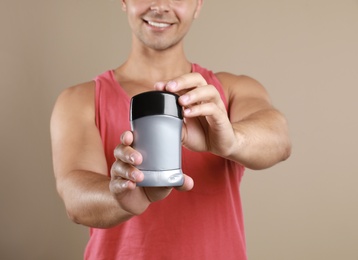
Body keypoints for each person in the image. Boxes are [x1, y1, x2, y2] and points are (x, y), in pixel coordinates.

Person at [50, 0, 291, 259]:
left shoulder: (230, 91)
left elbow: (279, 138)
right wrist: (121, 197)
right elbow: (76, 199)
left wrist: (230, 140)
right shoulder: (80, 100)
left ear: (198, 5)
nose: (161, 6)